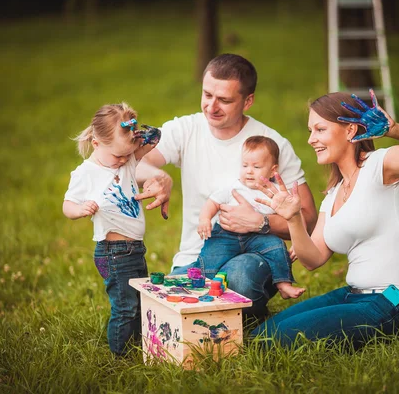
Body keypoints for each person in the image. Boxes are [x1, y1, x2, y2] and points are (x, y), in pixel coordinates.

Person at [250, 89, 399, 348]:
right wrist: (293, 218)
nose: (311, 139)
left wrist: (394, 130)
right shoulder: (332, 195)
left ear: (350, 131)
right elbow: (314, 258)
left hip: (395, 302)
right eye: (310, 131)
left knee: (272, 342)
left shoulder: (380, 166)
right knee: (262, 333)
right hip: (353, 296)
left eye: (319, 129)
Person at [135, 54, 318, 319]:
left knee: (239, 279)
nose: (211, 106)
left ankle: (240, 318)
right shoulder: (186, 129)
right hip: (197, 256)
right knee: (157, 311)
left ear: (248, 101)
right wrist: (161, 176)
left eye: (225, 100)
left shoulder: (272, 144)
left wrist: (261, 222)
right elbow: (137, 163)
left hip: (253, 254)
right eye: (207, 95)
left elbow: (309, 219)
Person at [62, 103, 160, 355]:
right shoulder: (86, 173)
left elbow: (156, 137)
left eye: (127, 154)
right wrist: (81, 209)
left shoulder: (126, 162)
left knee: (139, 302)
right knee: (125, 307)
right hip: (113, 252)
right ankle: (120, 356)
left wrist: (136, 133)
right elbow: (67, 206)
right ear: (96, 144)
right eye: (117, 155)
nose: (124, 160)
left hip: (135, 249)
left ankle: (139, 347)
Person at [193, 135, 305, 299]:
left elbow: (291, 218)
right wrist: (205, 219)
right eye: (244, 165)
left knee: (277, 247)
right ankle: (202, 284)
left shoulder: (276, 192)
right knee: (211, 255)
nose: (249, 171)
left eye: (256, 166)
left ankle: (283, 284)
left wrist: (297, 240)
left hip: (259, 236)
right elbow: (212, 202)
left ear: (273, 170)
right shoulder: (234, 187)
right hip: (226, 235)